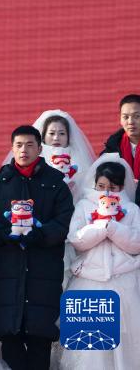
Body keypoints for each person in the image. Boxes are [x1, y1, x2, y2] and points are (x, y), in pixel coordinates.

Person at [0, 125, 74, 370]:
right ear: (12, 149)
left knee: (40, 342)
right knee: (10, 343)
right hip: (7, 272)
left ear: (40, 149)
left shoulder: (56, 185)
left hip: (44, 272)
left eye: (30, 145)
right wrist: (4, 234)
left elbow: (64, 223)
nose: (24, 150)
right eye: (19, 145)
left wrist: (39, 234)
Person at [60, 154, 140, 369]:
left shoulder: (132, 210)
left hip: (125, 282)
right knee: (90, 347)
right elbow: (76, 240)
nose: (106, 192)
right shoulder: (84, 206)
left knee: (127, 343)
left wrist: (113, 227)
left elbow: (136, 243)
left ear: (122, 187)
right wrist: (100, 227)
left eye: (113, 187)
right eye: (101, 186)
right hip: (89, 282)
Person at [101, 94, 140, 183]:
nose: (130, 122)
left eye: (137, 116)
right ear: (120, 120)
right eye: (126, 117)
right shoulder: (112, 148)